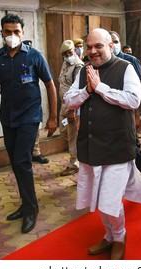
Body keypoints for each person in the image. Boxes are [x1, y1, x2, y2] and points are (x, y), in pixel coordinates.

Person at [63, 28, 141, 260]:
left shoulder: (126, 68)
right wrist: (87, 89)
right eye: (89, 47)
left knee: (109, 199)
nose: (93, 51)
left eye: (98, 46)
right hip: (91, 147)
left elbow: (133, 100)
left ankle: (120, 237)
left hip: (117, 147)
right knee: (98, 197)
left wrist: (101, 88)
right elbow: (69, 100)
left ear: (110, 46)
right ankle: (110, 236)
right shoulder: (84, 72)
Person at [0, 13, 57, 234]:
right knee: (16, 163)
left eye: (16, 32)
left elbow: (50, 85)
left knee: (22, 161)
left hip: (30, 117)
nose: (12, 36)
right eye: (8, 32)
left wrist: (53, 117)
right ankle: (26, 204)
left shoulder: (34, 56)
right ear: (1, 33)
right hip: (8, 118)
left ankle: (31, 209)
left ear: (23, 32)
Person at [109, 30, 141, 188]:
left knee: (131, 145)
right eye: (110, 42)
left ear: (119, 43)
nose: (113, 45)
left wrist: (137, 114)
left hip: (127, 110)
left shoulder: (130, 61)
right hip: (110, 113)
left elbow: (137, 89)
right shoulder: (102, 63)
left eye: (115, 41)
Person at [58, 40, 84, 176]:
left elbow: (78, 90)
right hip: (63, 105)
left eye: (70, 52)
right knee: (63, 131)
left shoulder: (78, 66)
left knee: (72, 135)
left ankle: (74, 163)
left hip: (72, 106)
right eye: (65, 53)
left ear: (74, 51)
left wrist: (73, 110)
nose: (68, 55)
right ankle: (78, 156)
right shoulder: (65, 64)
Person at [22, 40, 50, 164]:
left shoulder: (36, 58)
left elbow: (49, 83)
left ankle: (35, 153)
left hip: (32, 104)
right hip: (19, 105)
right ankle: (25, 156)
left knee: (35, 131)